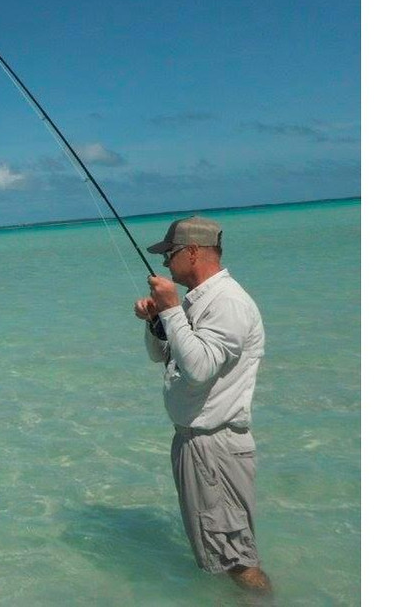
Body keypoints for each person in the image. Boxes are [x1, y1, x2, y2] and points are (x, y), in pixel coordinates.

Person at [133, 215, 272, 593]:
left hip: (215, 446)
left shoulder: (227, 303)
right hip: (196, 443)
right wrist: (156, 320)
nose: (164, 262)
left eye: (170, 253)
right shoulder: (201, 302)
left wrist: (172, 309)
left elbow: (200, 366)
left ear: (193, 252)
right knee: (222, 554)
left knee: (237, 559)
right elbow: (165, 357)